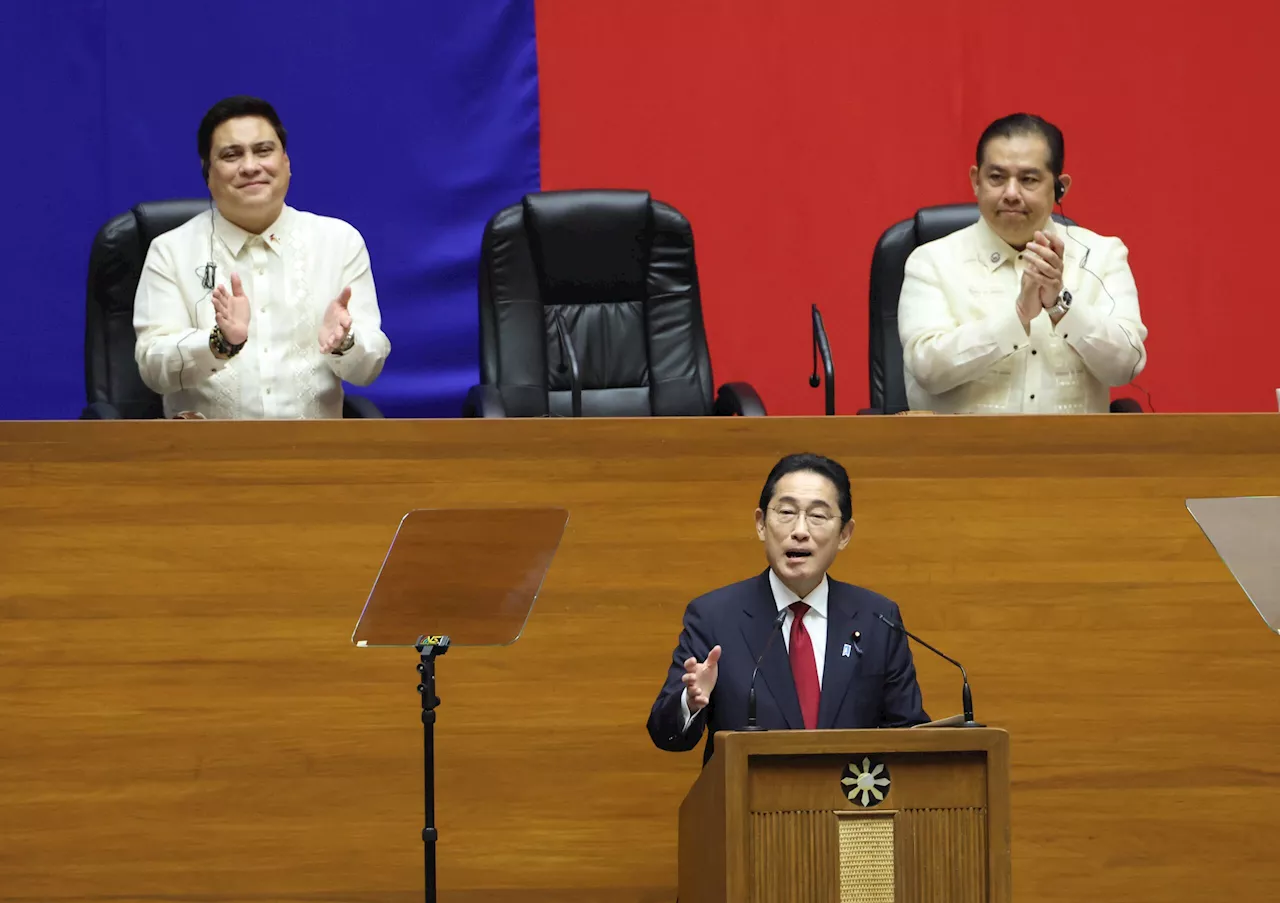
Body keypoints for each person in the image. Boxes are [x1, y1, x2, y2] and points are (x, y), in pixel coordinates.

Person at [646, 454, 928, 764]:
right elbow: (666, 735)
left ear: (844, 534)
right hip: (747, 807)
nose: (800, 530)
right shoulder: (714, 617)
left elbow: (908, 733)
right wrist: (691, 701)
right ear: (761, 525)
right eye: (786, 512)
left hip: (848, 807)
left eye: (818, 516)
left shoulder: (878, 619)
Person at [133, 96, 391, 419]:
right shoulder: (170, 251)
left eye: (264, 151)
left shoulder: (339, 242)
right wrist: (219, 344)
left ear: (286, 163)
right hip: (207, 459)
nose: (251, 166)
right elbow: (152, 367)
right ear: (208, 175)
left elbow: (368, 370)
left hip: (315, 459)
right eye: (231, 155)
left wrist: (345, 343)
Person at [898, 113, 1147, 414]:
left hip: (1074, 455)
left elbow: (1126, 367)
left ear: (1059, 187)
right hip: (961, 456)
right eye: (996, 178)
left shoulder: (1101, 255)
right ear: (976, 181)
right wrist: (1017, 318)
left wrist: (1061, 307)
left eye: (1028, 179)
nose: (1011, 194)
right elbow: (927, 370)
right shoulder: (931, 262)